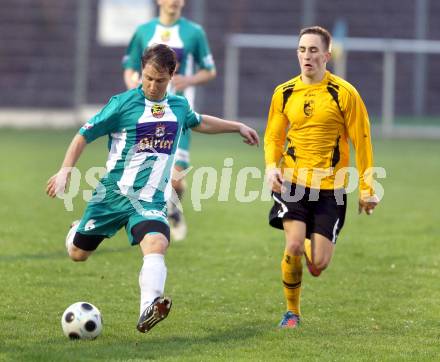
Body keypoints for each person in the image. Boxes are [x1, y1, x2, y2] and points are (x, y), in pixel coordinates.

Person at [47, 44, 259, 334]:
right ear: (142, 72)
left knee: (157, 243)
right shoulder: (122, 104)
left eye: (159, 80)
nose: (152, 85)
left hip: (150, 199)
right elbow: (84, 134)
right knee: (77, 254)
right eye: (147, 78)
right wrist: (65, 170)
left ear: (172, 75)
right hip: (112, 195)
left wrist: (237, 127)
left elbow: (199, 122)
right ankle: (77, 229)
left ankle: (149, 306)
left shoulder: (178, 107)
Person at [264, 26, 379, 329]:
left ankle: (311, 249)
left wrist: (367, 189)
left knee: (319, 262)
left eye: (314, 50)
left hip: (331, 189)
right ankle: (292, 313)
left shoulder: (344, 94)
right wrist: (270, 166)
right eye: (302, 49)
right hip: (293, 182)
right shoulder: (284, 92)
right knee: (292, 246)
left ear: (327, 56)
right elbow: (274, 137)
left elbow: (362, 141)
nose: (307, 56)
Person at [122, 0, 217, 241]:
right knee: (143, 174)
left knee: (176, 180)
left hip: (178, 117)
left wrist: (191, 80)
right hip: (147, 116)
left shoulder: (194, 32)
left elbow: (210, 70)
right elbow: (131, 67)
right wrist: (133, 87)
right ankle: (147, 222)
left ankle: (173, 209)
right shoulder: (143, 31)